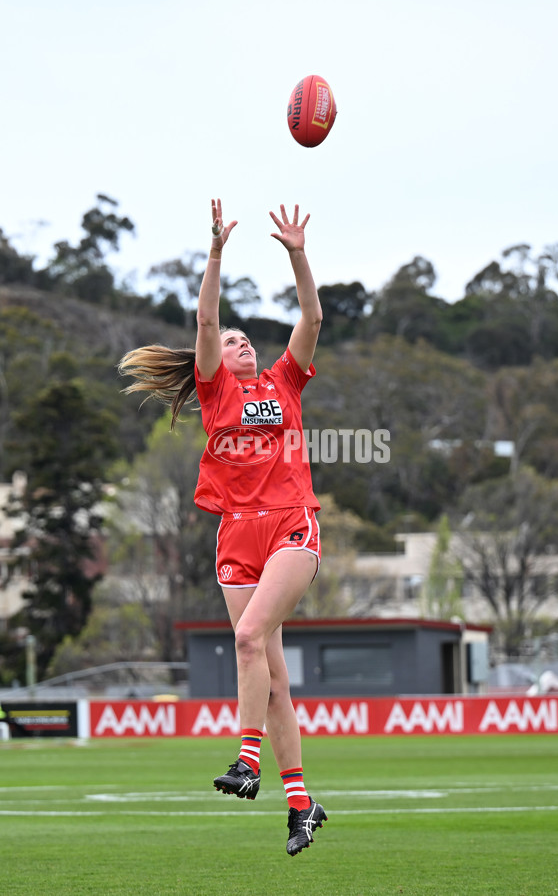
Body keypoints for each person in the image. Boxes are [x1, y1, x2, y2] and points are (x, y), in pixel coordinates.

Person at [118, 199, 327, 856]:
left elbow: (312, 317)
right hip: (236, 538)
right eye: (232, 340)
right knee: (272, 678)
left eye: (245, 339)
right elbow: (205, 316)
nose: (241, 342)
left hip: (292, 527)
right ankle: (302, 805)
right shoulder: (215, 391)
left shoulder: (284, 382)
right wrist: (215, 252)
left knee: (245, 637)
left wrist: (295, 252)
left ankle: (247, 762)